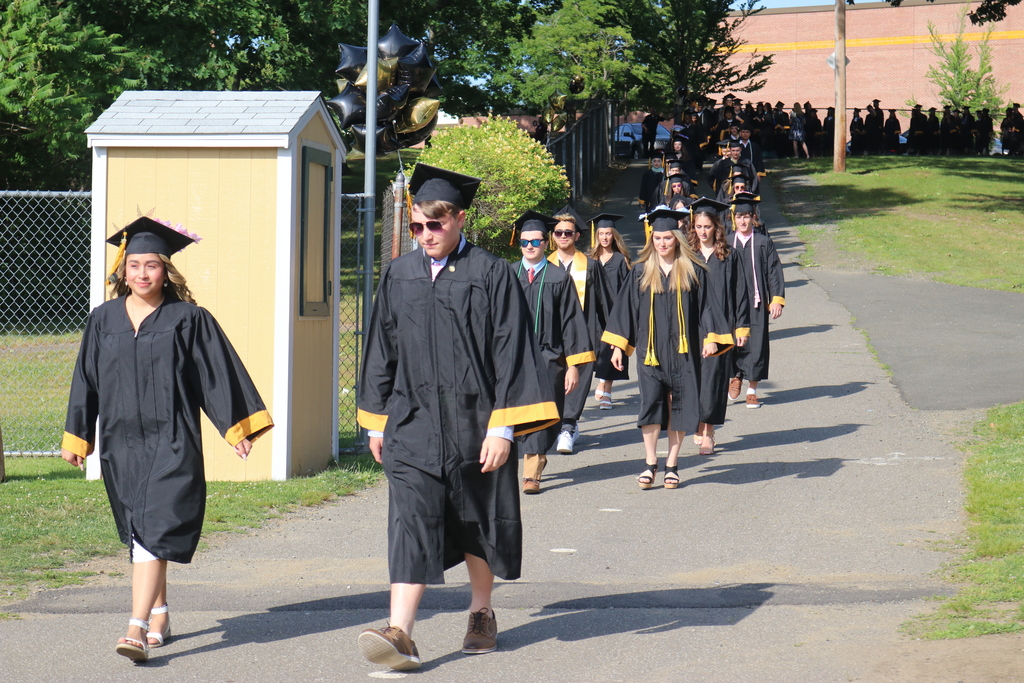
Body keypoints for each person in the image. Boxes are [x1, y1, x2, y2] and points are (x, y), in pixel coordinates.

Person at [357, 165, 559, 670]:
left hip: (476, 422)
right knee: (410, 521)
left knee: (476, 521)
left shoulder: (490, 273)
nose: (426, 235)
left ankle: (481, 612)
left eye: (436, 224)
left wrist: (503, 427)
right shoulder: (398, 273)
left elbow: (514, 350)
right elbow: (381, 349)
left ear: (459, 219)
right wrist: (376, 420)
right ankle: (400, 631)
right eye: (418, 226)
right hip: (412, 422)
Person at [60, 216, 273, 663]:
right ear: (122, 269)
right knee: (141, 532)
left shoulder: (189, 319)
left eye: (151, 265)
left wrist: (237, 427)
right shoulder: (102, 320)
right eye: (133, 264)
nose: (141, 273)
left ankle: (135, 628)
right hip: (121, 442)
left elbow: (215, 375)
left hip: (173, 440)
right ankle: (159, 612)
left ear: (166, 270)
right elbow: (87, 382)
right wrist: (78, 436)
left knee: (155, 528)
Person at [602, 208, 733, 490]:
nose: (662, 243)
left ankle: (672, 464)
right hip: (651, 352)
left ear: (677, 239)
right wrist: (618, 346)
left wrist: (711, 337)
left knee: (681, 406)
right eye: (657, 238)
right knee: (650, 405)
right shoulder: (640, 271)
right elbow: (625, 309)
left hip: (684, 352)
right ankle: (650, 462)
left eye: (667, 238)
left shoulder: (694, 269)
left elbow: (709, 306)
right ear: (652, 240)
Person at [514, 211, 594, 494]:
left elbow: (573, 322)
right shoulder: (508, 275)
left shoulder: (559, 278)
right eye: (525, 243)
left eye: (535, 241)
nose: (530, 247)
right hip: (515, 356)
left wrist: (574, 365)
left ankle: (533, 468)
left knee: (545, 413)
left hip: (550, 358)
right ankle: (528, 466)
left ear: (545, 243)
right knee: (518, 412)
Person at [548, 205, 613, 453]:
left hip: (584, 334)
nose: (563, 236)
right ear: (552, 236)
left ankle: (569, 426)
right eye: (558, 232)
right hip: (549, 337)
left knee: (576, 385)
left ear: (577, 236)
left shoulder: (591, 266)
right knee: (554, 383)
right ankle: (558, 423)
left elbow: (607, 304)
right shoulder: (544, 266)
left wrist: (616, 338)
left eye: (568, 232)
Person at [688, 199, 750, 456]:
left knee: (713, 381)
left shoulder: (729, 255)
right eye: (698, 226)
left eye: (707, 226)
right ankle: (698, 423)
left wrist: (742, 327)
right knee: (693, 380)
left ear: (716, 227)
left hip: (721, 327)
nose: (703, 231)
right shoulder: (688, 255)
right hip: (692, 327)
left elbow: (740, 292)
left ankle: (709, 432)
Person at [727, 194, 785, 409]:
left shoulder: (763, 242)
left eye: (747, 217)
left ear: (753, 218)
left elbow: (774, 272)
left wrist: (776, 300)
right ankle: (735, 376)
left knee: (757, 344)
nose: (742, 221)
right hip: (731, 302)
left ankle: (752, 390)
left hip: (756, 301)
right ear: (733, 218)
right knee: (732, 341)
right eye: (739, 217)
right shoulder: (726, 242)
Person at [587, 213, 631, 409]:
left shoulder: (621, 260)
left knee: (612, 348)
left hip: (614, 311)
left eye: (608, 234)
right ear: (596, 236)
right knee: (598, 349)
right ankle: (603, 385)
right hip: (594, 311)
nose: (604, 237)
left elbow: (627, 288)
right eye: (601, 234)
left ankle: (606, 388)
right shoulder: (590, 259)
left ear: (614, 236)